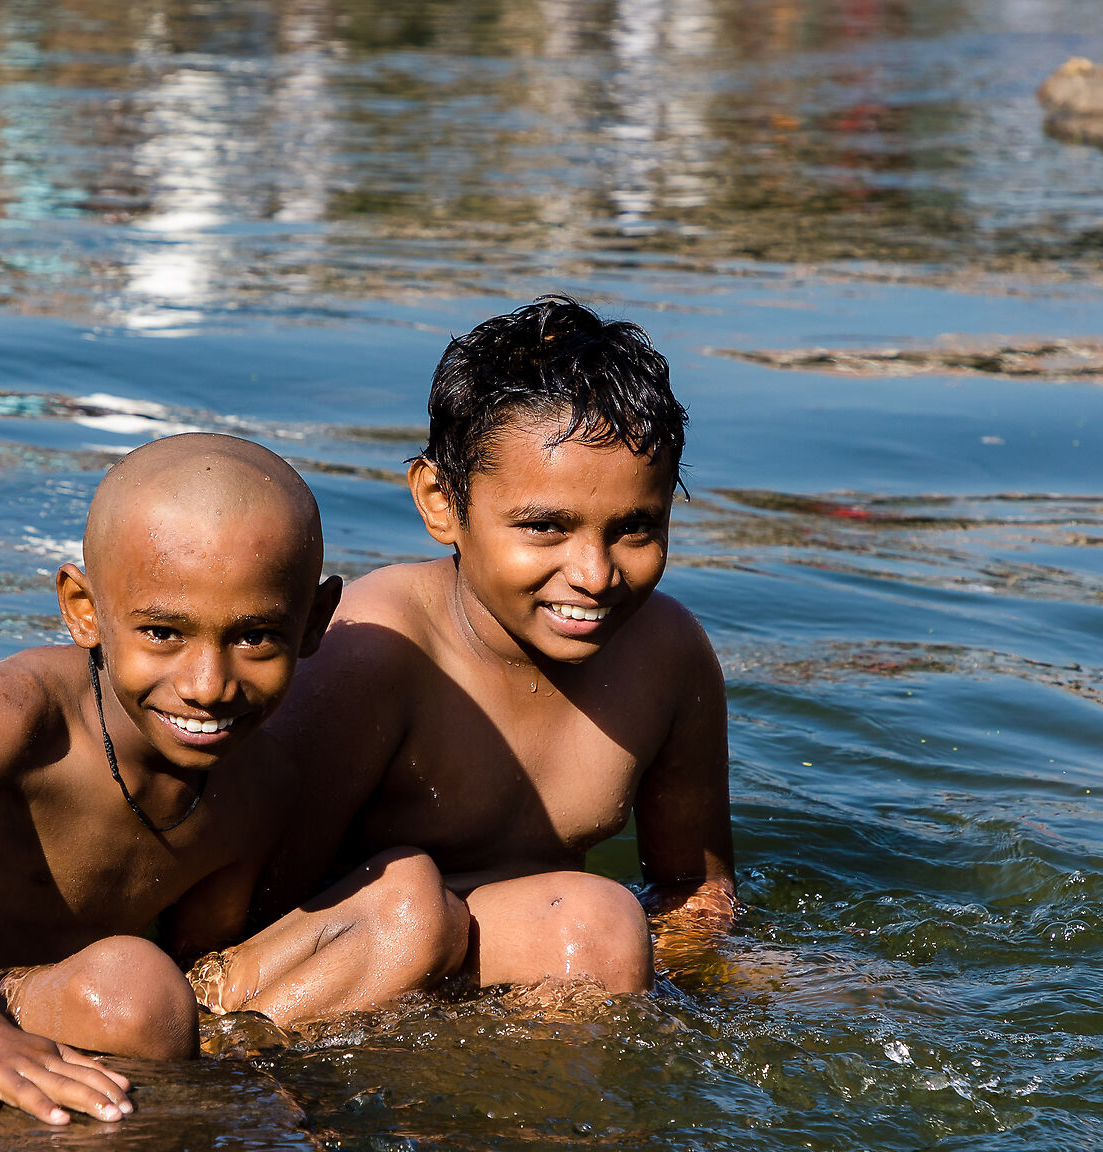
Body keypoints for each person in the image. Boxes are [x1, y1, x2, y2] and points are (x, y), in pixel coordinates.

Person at [0, 434, 467, 1126]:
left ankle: (233, 1071)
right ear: (84, 609)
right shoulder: (19, 713)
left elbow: (201, 962)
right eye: (162, 633)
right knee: (135, 991)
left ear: (312, 623)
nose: (207, 686)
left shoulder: (262, 782)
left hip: (117, 1001)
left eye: (254, 637)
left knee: (413, 906)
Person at [226, 297, 736, 1005]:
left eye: (635, 529)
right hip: (342, 970)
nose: (594, 575)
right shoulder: (376, 655)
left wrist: (685, 992)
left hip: (522, 965)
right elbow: (244, 919)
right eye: (545, 526)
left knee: (848, 991)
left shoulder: (667, 655)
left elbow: (694, 891)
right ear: (441, 501)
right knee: (589, 924)